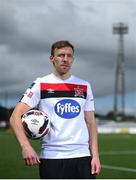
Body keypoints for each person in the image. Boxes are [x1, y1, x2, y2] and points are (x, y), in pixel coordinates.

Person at [10, 40, 101, 179]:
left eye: (69, 56)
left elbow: (91, 123)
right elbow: (15, 116)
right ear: (52, 58)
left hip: (83, 157)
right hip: (52, 158)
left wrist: (95, 155)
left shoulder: (84, 86)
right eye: (61, 55)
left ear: (73, 59)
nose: (65, 59)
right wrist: (26, 147)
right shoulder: (40, 84)